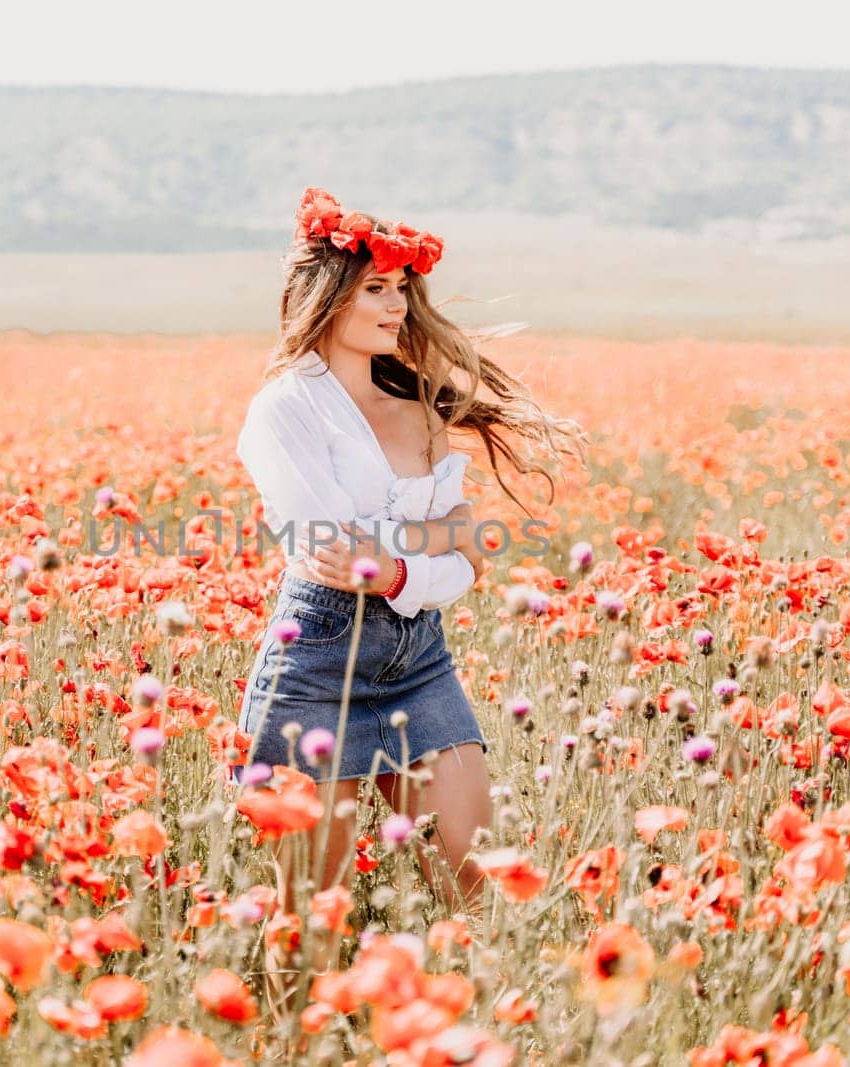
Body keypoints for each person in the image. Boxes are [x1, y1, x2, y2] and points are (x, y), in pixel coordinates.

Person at [234, 186, 589, 939]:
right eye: (375, 289)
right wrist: (435, 538)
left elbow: (466, 567)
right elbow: (328, 551)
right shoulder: (284, 408)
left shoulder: (420, 408)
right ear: (328, 297)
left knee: (476, 873)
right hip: (318, 664)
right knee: (311, 917)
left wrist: (399, 564)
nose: (396, 306)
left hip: (420, 658)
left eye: (401, 289)